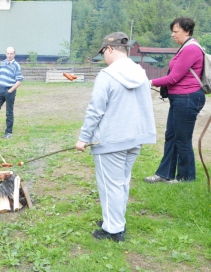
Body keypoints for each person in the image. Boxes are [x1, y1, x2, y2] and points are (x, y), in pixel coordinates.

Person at [75, 32, 156, 242]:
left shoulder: (107, 75)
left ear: (109, 49)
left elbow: (95, 110)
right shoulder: (140, 73)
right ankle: (114, 220)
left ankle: (113, 230)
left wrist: (83, 138)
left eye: (103, 53)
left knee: (110, 185)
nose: (104, 57)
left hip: (110, 141)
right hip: (134, 139)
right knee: (121, 183)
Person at [144, 17, 206, 184]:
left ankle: (186, 178)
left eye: (176, 31)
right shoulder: (184, 48)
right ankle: (165, 174)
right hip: (180, 99)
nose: (173, 34)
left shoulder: (190, 49)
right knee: (171, 136)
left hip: (187, 98)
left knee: (182, 139)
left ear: (187, 31)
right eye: (172, 31)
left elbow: (174, 78)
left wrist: (148, 82)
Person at [0, 47, 23, 138]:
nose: (9, 55)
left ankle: (8, 132)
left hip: (10, 90)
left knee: (9, 112)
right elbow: (0, 76)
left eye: (11, 53)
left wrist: (10, 90)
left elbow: (19, 80)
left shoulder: (16, 65)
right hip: (0, 90)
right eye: (8, 53)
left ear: (14, 54)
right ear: (5, 54)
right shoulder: (2, 63)